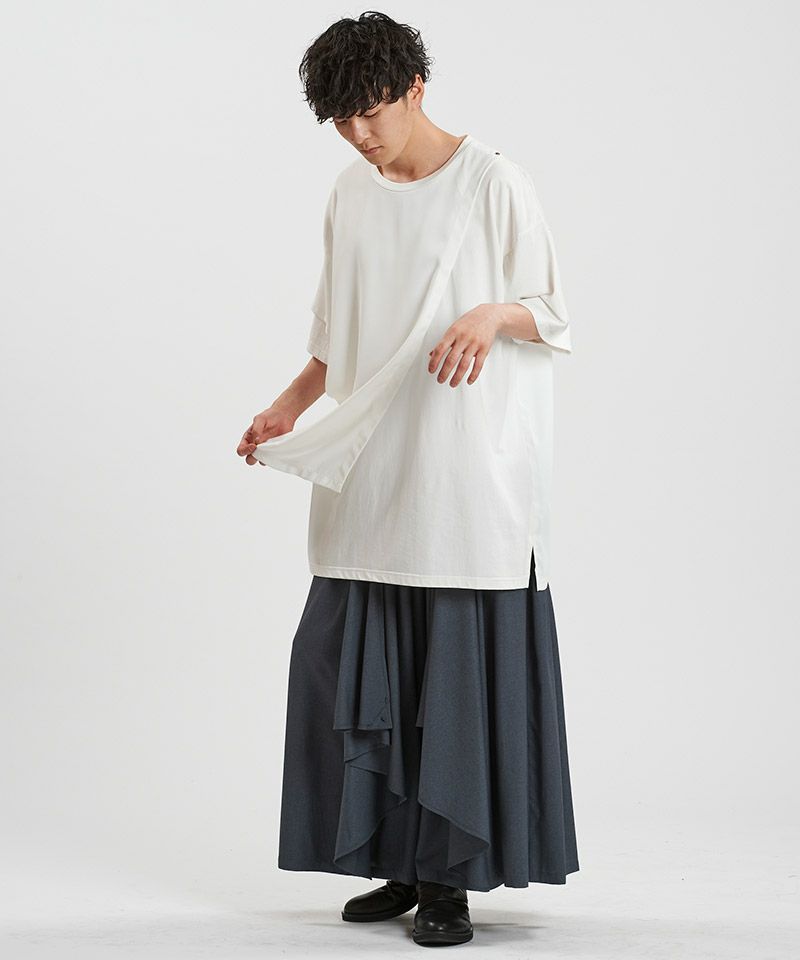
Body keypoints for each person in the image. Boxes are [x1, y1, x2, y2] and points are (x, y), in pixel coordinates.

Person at [237, 10, 579, 948]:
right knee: (353, 654)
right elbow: (333, 330)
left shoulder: (493, 181)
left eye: (372, 111)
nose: (359, 133)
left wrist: (491, 315)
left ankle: (449, 880)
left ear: (415, 88)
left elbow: (553, 308)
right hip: (373, 464)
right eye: (341, 119)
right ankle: (396, 860)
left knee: (453, 670)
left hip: (465, 465)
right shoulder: (350, 192)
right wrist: (288, 407)